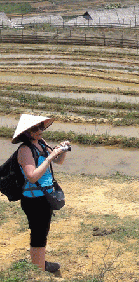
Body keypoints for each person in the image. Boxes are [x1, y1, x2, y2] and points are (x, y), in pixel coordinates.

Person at [12, 114, 71, 273]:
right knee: (38, 233)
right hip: (34, 199)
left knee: (42, 231)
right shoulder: (25, 150)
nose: (40, 131)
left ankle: (39, 264)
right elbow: (32, 177)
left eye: (40, 127)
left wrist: (61, 150)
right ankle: (38, 268)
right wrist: (50, 156)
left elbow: (58, 161)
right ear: (26, 132)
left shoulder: (41, 144)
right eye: (35, 129)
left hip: (45, 196)